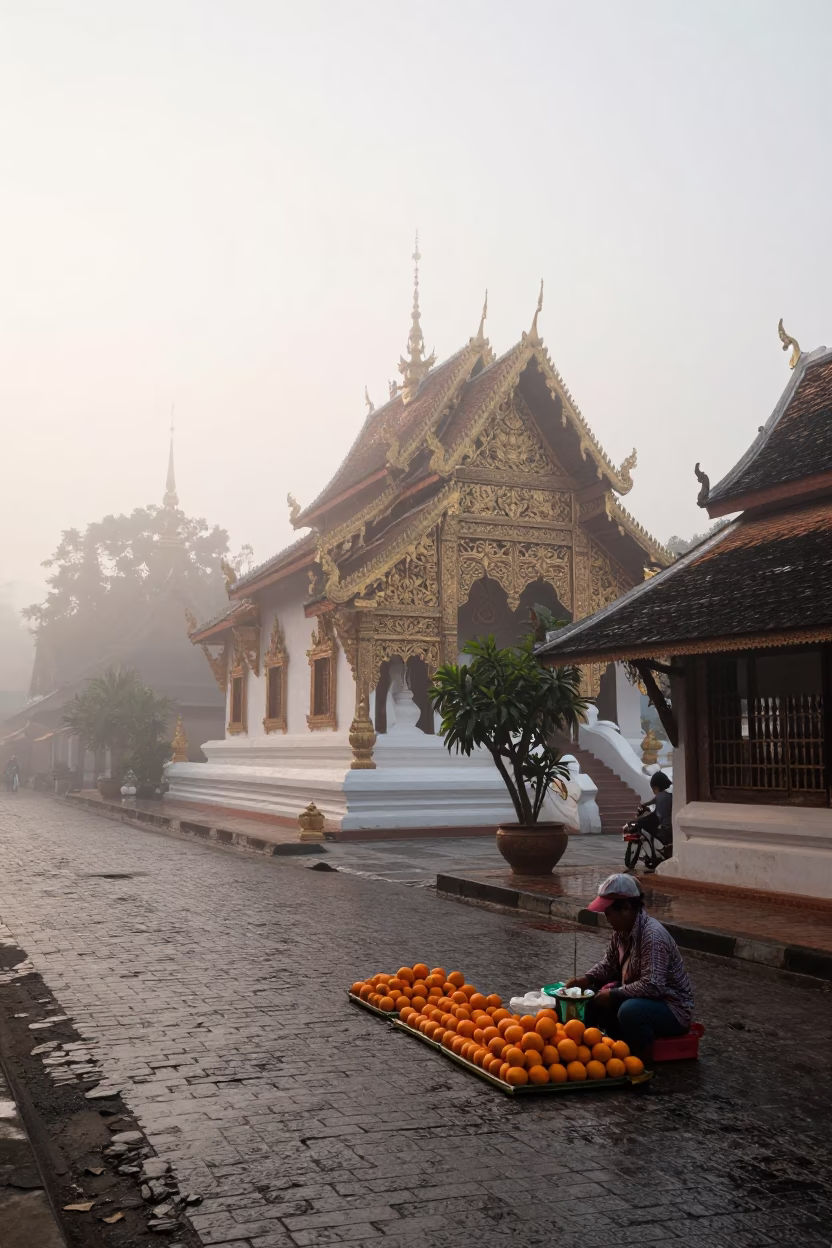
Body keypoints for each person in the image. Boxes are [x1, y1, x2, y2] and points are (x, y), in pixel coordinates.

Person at [564, 873, 693, 1055]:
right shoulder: (621, 931)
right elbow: (609, 964)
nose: (607, 918)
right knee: (591, 993)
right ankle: (591, 1048)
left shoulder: (653, 936)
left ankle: (639, 1057)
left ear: (625, 909)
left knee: (629, 1010)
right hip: (642, 996)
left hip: (671, 1008)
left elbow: (653, 986)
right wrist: (586, 979)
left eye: (609, 913)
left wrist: (614, 994)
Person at [633, 770, 673, 855]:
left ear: (656, 788)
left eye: (653, 789)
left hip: (664, 828)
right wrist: (645, 804)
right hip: (670, 827)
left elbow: (656, 814)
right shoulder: (668, 795)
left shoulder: (660, 797)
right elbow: (653, 801)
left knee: (642, 824)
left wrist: (638, 818)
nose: (653, 792)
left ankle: (654, 851)